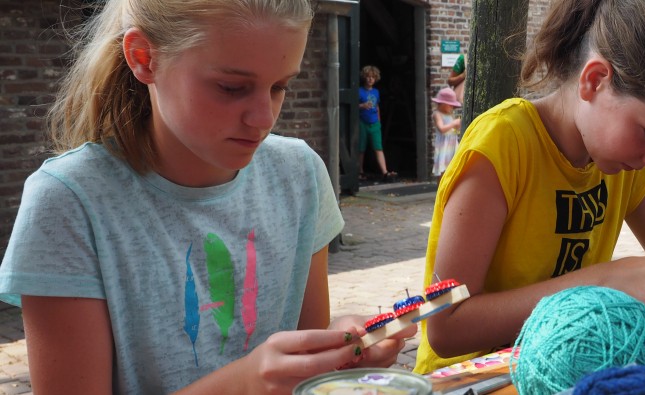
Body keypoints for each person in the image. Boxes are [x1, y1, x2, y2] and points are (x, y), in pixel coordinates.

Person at [0, 1, 414, 393]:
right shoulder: (70, 202)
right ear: (144, 58)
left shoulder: (299, 175)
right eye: (232, 87)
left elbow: (296, 361)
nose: (263, 119)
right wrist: (244, 384)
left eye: (279, 87)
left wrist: (333, 355)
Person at [413, 0, 645, 374]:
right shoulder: (502, 145)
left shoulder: (623, 162)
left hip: (562, 372)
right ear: (594, 80)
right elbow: (444, 323)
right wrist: (605, 282)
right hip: (468, 380)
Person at [359, 65, 397, 180]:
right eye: (368, 77)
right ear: (364, 78)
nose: (370, 79)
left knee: (378, 148)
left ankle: (385, 172)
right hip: (362, 122)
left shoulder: (376, 92)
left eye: (372, 77)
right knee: (361, 148)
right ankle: (359, 171)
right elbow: (352, 106)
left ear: (376, 79)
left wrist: (379, 121)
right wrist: (362, 106)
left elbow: (377, 106)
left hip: (374, 123)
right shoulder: (359, 91)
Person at [431, 87, 462, 177]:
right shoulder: (437, 114)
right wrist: (453, 123)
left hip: (452, 144)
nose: (452, 107)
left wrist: (457, 127)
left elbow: (452, 130)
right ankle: (440, 189)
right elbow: (442, 129)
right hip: (443, 146)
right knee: (442, 170)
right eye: (450, 105)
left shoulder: (450, 114)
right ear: (444, 104)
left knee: (452, 168)